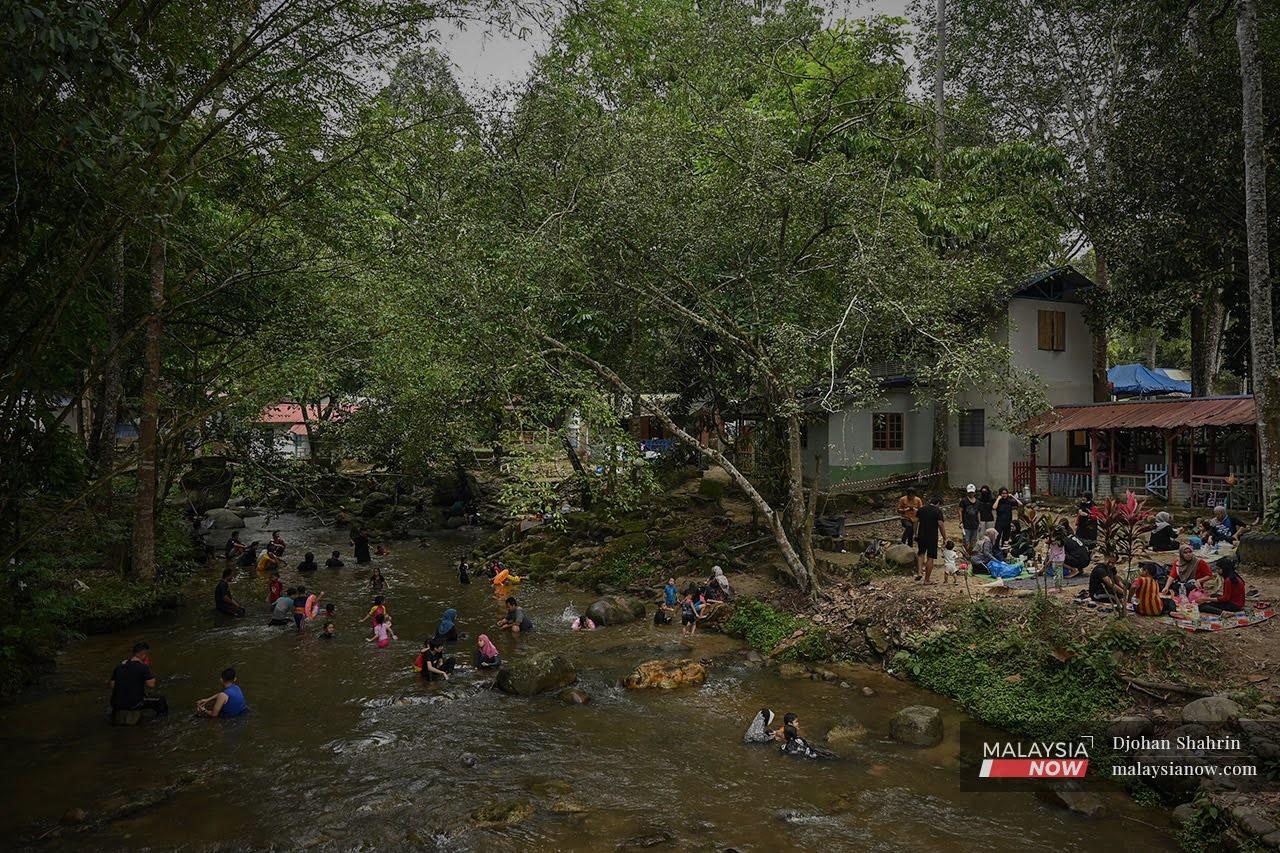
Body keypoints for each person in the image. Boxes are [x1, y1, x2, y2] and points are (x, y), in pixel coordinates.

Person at [109, 642, 168, 718]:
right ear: (144, 654)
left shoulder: (119, 667)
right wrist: (147, 668)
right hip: (133, 704)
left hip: (115, 703)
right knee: (160, 700)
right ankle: (161, 720)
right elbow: (151, 684)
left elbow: (112, 685)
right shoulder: (143, 667)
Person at [914, 495, 946, 584]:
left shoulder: (921, 509)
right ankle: (927, 580)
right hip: (932, 536)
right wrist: (945, 538)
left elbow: (915, 521)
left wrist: (915, 533)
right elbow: (941, 525)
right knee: (930, 558)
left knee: (921, 554)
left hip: (921, 535)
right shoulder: (938, 511)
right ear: (938, 503)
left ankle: (919, 572)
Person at [959, 484, 982, 551]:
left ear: (974, 492)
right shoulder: (964, 501)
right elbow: (960, 511)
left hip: (975, 524)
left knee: (974, 541)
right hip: (966, 524)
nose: (971, 494)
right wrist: (961, 522)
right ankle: (966, 553)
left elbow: (978, 513)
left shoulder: (978, 502)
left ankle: (972, 553)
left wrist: (979, 523)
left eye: (972, 492)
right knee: (966, 541)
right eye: (969, 492)